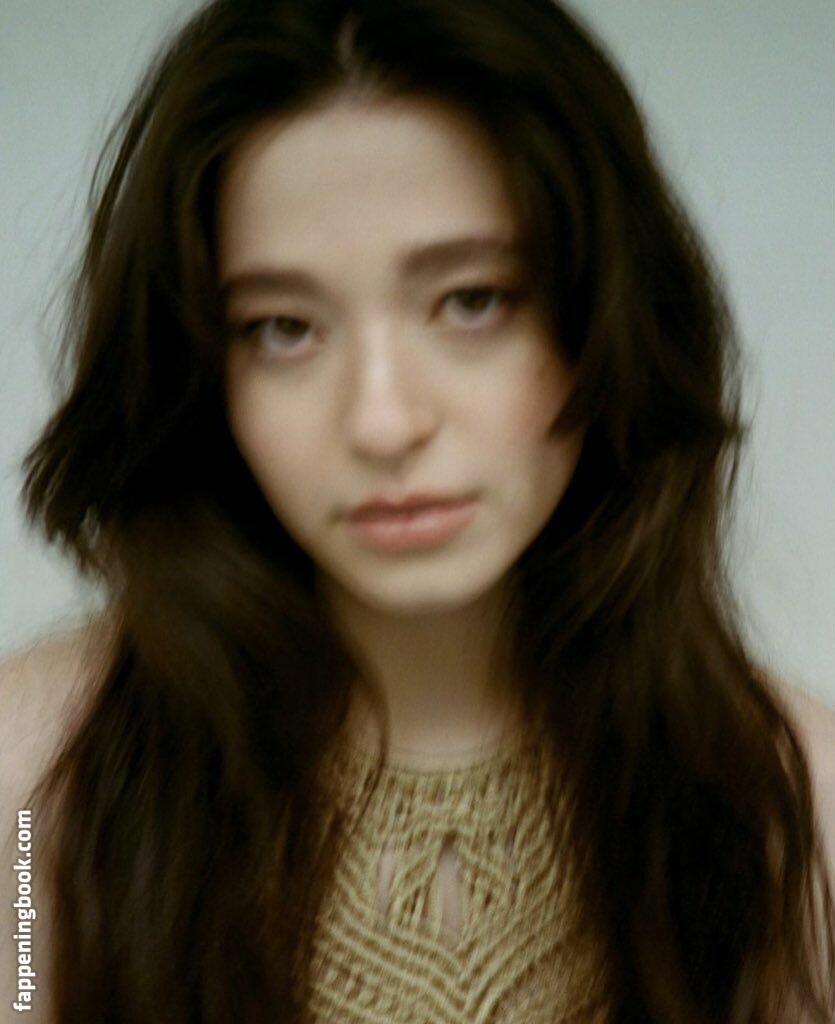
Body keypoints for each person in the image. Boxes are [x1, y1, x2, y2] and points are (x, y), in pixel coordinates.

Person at [0, 0, 833, 1021]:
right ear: (200, 372)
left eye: (472, 300)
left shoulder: (795, 809)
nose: (383, 421)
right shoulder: (32, 790)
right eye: (283, 327)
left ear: (610, 321)